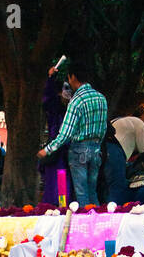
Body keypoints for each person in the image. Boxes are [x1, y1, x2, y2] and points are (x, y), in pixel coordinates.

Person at [37, 61, 107, 206]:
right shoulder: (101, 98)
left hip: (77, 151)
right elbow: (103, 128)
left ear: (73, 77)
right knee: (92, 192)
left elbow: (65, 134)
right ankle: (97, 222)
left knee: (81, 193)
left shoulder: (77, 101)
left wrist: (46, 150)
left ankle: (85, 225)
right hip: (95, 150)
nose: (67, 92)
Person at [40, 67, 69, 204]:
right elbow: (48, 99)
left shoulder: (72, 109)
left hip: (67, 154)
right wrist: (50, 78)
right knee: (58, 187)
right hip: (58, 156)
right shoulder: (55, 109)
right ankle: (59, 210)